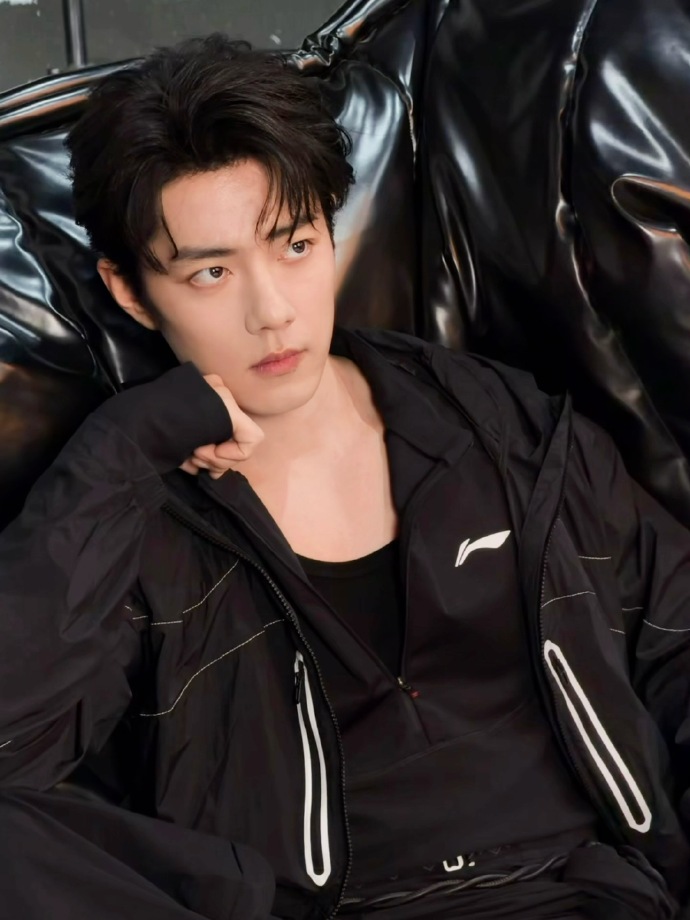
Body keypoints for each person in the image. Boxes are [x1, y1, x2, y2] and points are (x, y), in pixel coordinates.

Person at [0, 32, 688, 920]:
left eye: (294, 245)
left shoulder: (498, 426)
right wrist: (122, 447)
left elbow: (676, 633)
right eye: (212, 272)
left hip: (579, 895)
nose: (273, 312)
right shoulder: (132, 513)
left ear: (330, 227)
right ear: (131, 292)